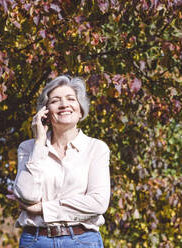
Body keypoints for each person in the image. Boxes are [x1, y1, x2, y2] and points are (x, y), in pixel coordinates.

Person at [7, 75, 111, 248]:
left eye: (71, 99)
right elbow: (26, 195)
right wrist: (39, 142)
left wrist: (42, 208)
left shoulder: (97, 148)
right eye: (55, 100)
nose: (64, 105)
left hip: (82, 240)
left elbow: (98, 203)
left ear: (80, 110)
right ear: (45, 111)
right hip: (36, 240)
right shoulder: (27, 148)